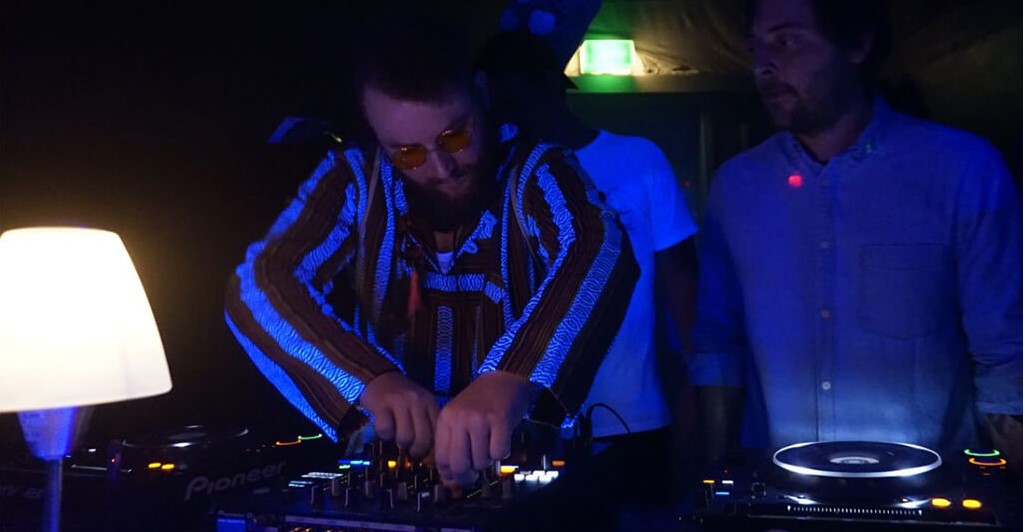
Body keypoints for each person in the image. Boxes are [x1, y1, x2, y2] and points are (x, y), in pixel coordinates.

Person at [224, 16, 638, 488]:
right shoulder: (357, 177)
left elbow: (598, 245)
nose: (440, 168)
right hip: (391, 461)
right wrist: (370, 380)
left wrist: (509, 379)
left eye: (454, 137)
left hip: (519, 455)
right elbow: (260, 282)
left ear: (481, 93)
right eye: (409, 154)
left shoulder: (535, 169)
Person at [690, 0, 1022, 468]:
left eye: (786, 41)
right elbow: (717, 345)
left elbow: (1006, 353)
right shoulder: (736, 187)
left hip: (926, 487)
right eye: (755, 46)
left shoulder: (962, 170)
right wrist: (712, 482)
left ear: (857, 44)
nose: (764, 64)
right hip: (781, 488)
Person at [474, 31, 699, 529]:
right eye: (495, 105)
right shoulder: (494, 176)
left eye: (514, 100)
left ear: (551, 87)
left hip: (634, 418)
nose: (506, 117)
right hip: (524, 422)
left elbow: (683, 284)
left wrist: (695, 389)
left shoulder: (639, 160)